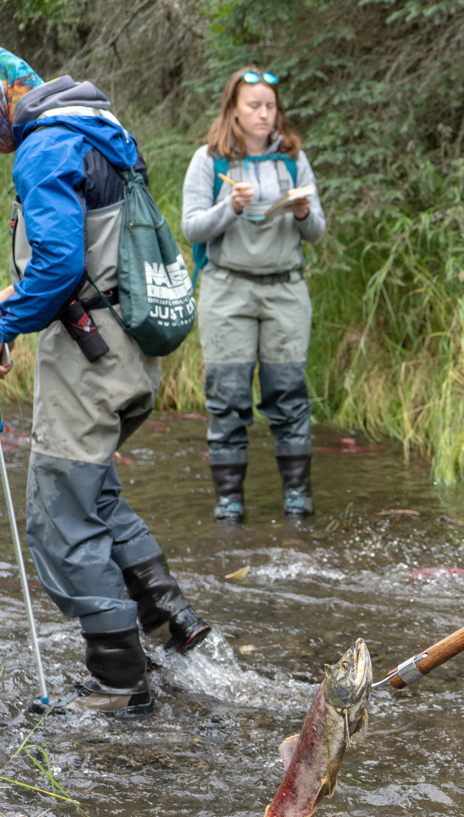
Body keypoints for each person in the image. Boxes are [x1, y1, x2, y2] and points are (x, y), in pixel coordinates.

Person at [0, 45, 211, 718]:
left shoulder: (42, 148)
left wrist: (3, 336)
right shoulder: (97, 130)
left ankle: (119, 685)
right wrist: (7, 299)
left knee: (60, 516)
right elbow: (98, 249)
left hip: (90, 360)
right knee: (96, 495)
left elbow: (63, 262)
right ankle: (171, 623)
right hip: (131, 351)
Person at [181, 67, 325, 522]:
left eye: (270, 106)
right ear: (234, 111)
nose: (265, 114)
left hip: (285, 290)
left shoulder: (292, 160)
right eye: (254, 106)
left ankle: (297, 498)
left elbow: (317, 232)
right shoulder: (209, 160)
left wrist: (303, 212)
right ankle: (229, 502)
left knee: (288, 394)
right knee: (227, 397)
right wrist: (231, 208)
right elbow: (191, 228)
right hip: (227, 291)